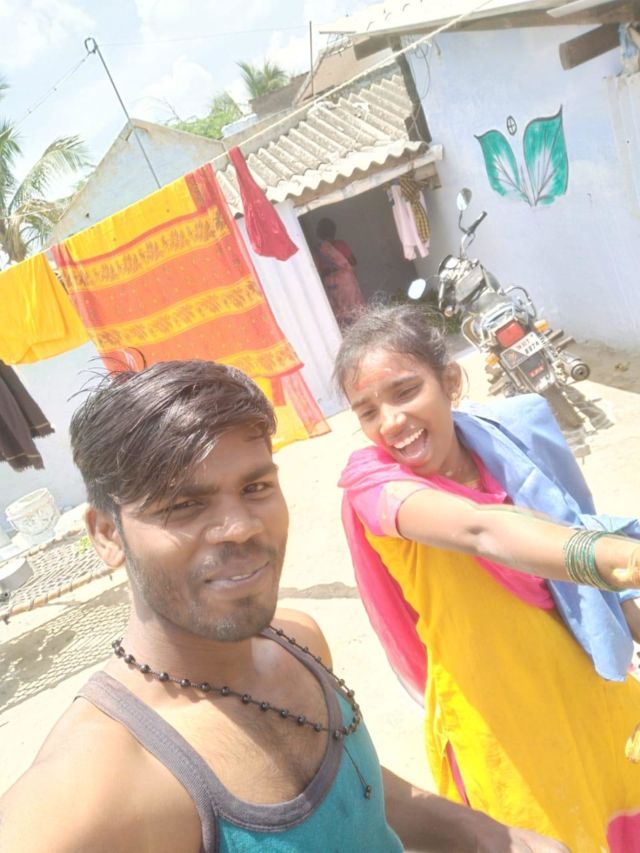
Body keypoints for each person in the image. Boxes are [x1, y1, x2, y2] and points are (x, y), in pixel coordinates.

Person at [0, 360, 567, 852]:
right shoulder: (101, 785)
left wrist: (486, 835)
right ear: (107, 534)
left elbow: (354, 796)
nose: (240, 527)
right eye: (183, 505)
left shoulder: (298, 641)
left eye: (255, 488)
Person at [335, 303, 640, 852]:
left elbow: (578, 534)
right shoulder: (374, 486)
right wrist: (621, 557)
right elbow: (482, 531)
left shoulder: (510, 442)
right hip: (504, 730)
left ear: (450, 381)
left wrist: (626, 590)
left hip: (593, 692)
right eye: (368, 411)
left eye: (405, 392)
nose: (391, 422)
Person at [313, 217, 365, 327]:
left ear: (319, 233)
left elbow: (318, 271)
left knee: (339, 310)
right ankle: (362, 328)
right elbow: (353, 261)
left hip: (330, 283)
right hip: (345, 280)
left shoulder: (318, 250)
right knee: (355, 306)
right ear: (333, 231)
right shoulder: (340, 244)